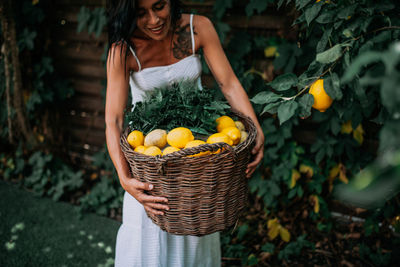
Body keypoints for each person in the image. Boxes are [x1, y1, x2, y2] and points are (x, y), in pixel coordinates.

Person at [105, 0, 265, 266]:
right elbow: (114, 119)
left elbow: (229, 83)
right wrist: (124, 178)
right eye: (141, 13)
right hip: (152, 162)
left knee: (195, 236)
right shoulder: (123, 49)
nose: (154, 20)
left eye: (159, 7)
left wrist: (256, 128)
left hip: (199, 158)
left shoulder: (198, 27)